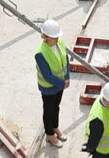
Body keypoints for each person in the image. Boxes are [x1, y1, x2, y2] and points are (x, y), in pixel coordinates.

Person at [35, 19, 70, 148]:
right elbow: (47, 75)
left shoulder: (59, 43)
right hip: (49, 88)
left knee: (56, 107)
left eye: (57, 37)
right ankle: (49, 134)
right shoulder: (40, 53)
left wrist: (67, 77)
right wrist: (62, 83)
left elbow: (65, 58)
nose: (56, 39)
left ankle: (55, 127)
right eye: (53, 37)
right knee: (48, 111)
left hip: (60, 85)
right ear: (45, 36)